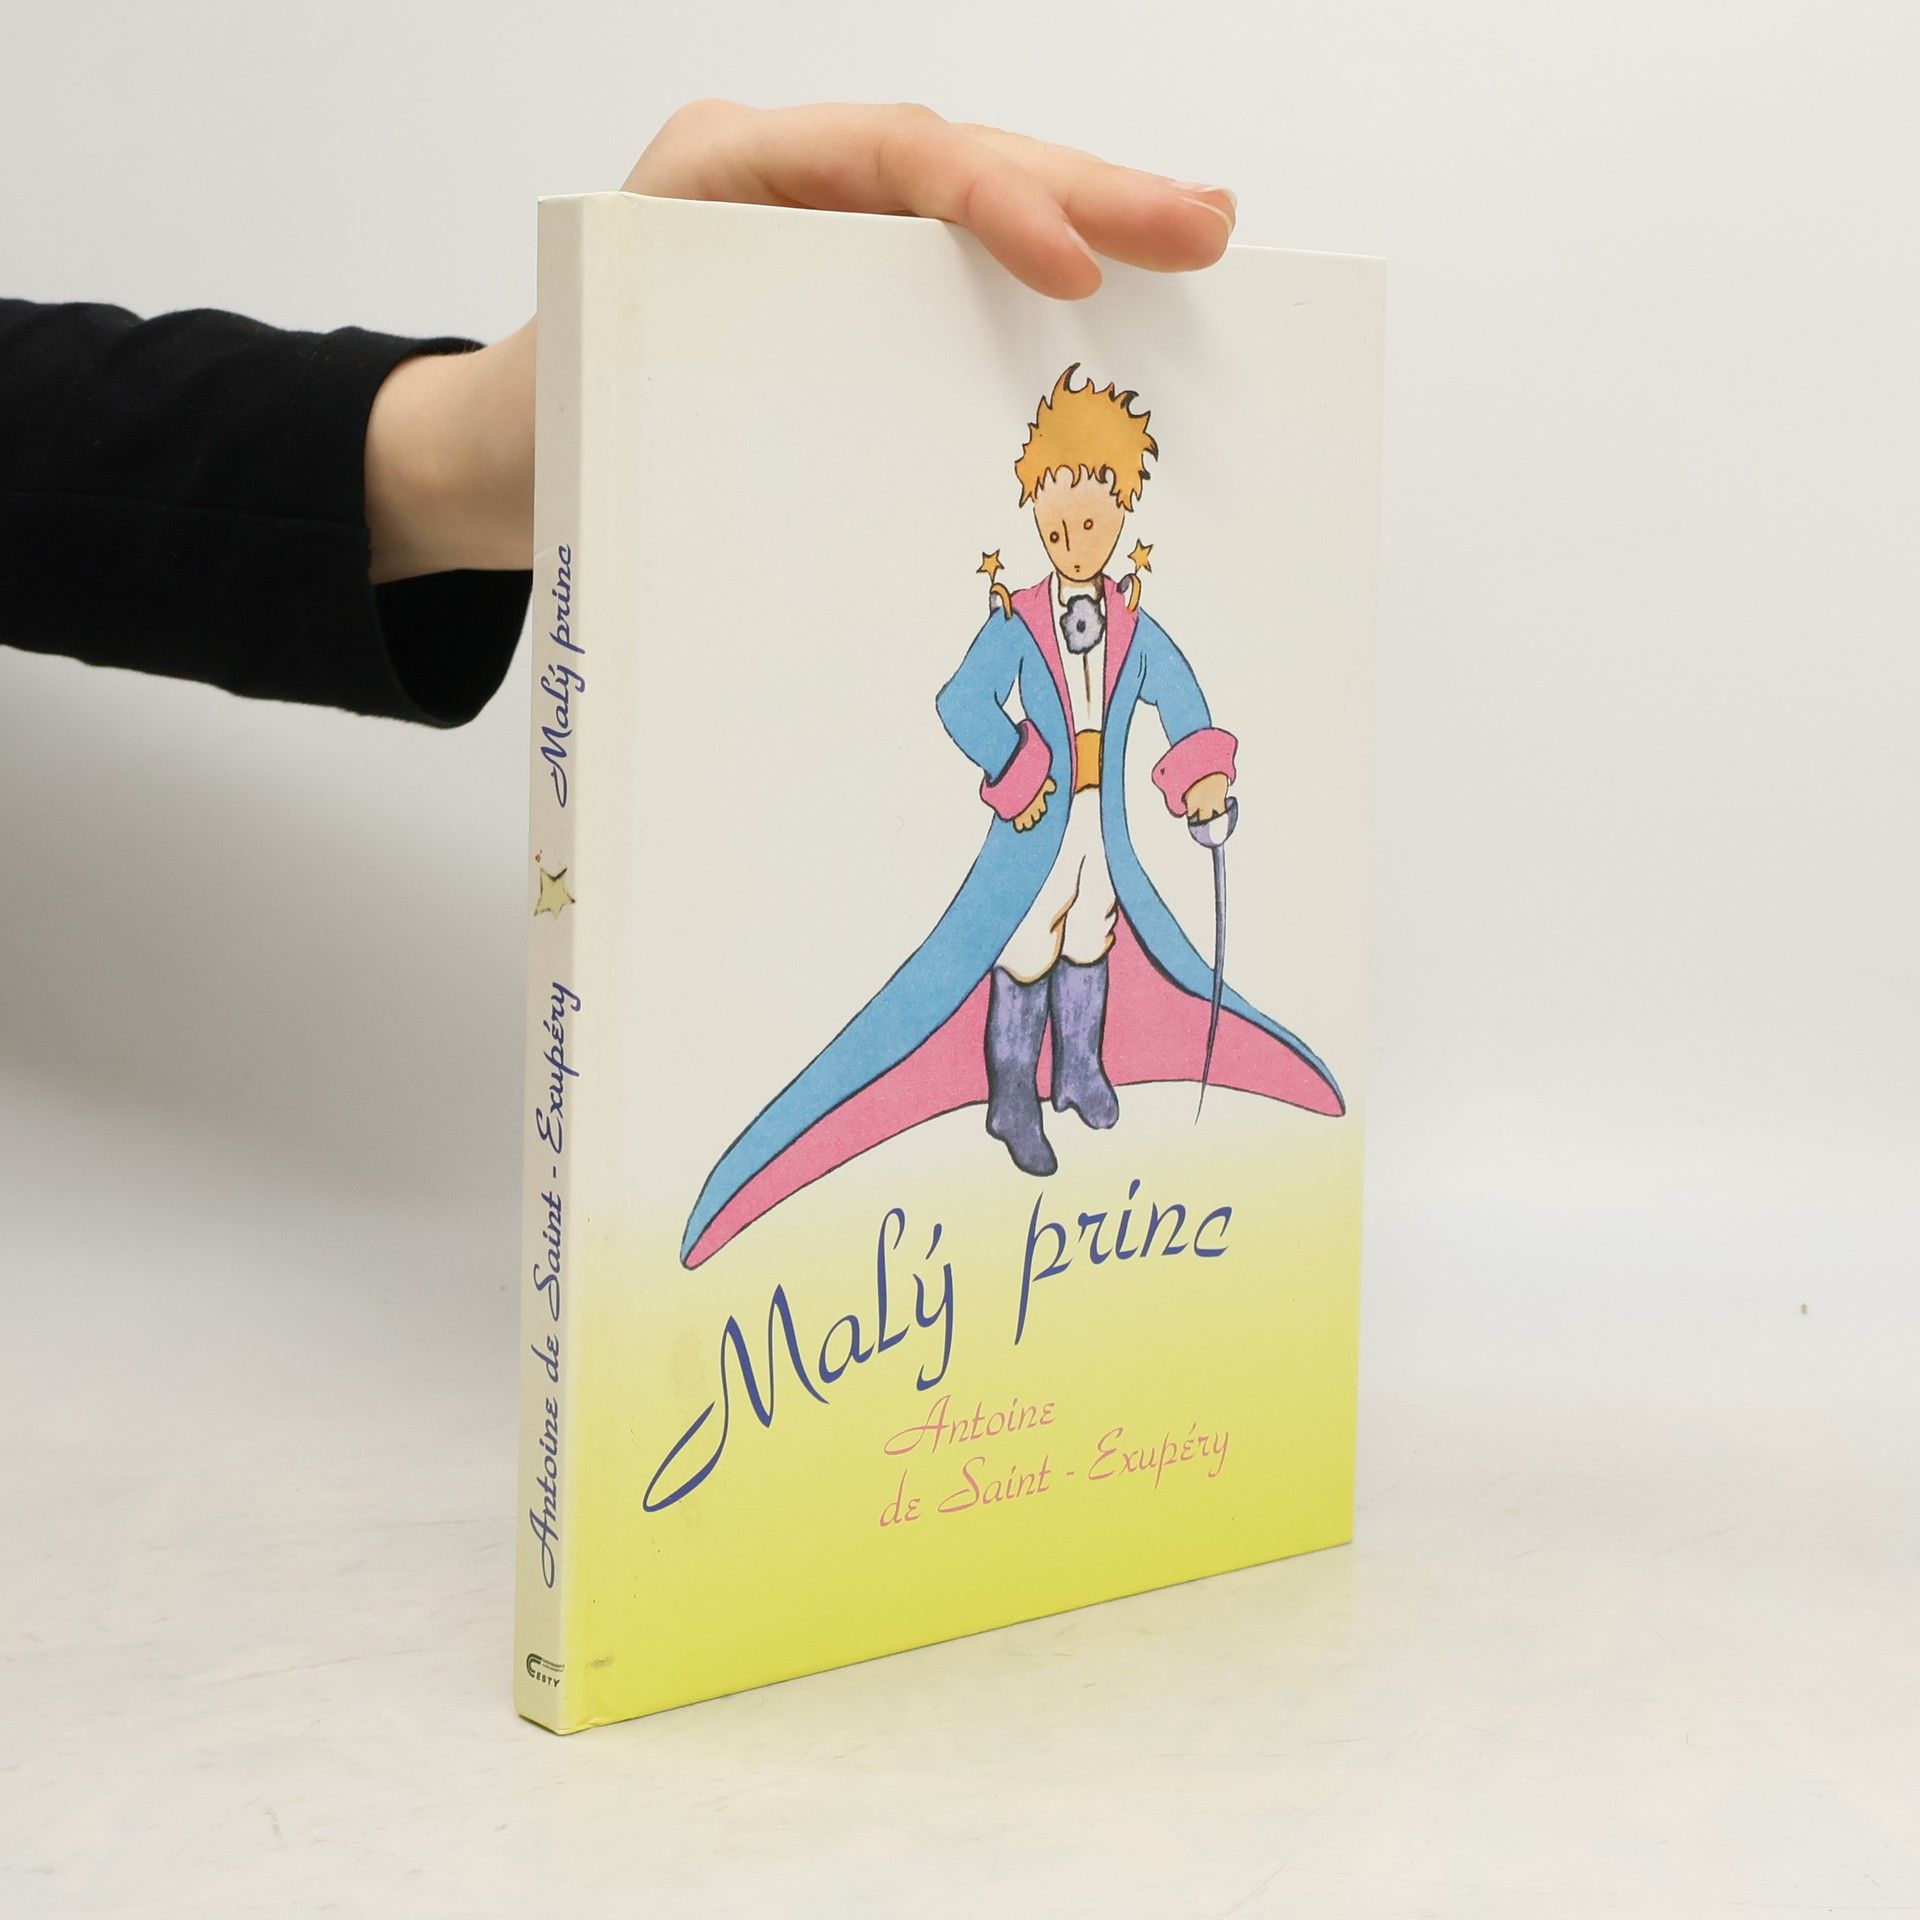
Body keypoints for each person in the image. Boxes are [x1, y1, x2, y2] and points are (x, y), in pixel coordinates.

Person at [0, 101, 1240, 727]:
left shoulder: (1138, 622)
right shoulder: (1014, 623)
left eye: (1098, 508)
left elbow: (1183, 704)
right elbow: (967, 706)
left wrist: (475, 444)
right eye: (1062, 504)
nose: (1078, 529)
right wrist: (1022, 773)